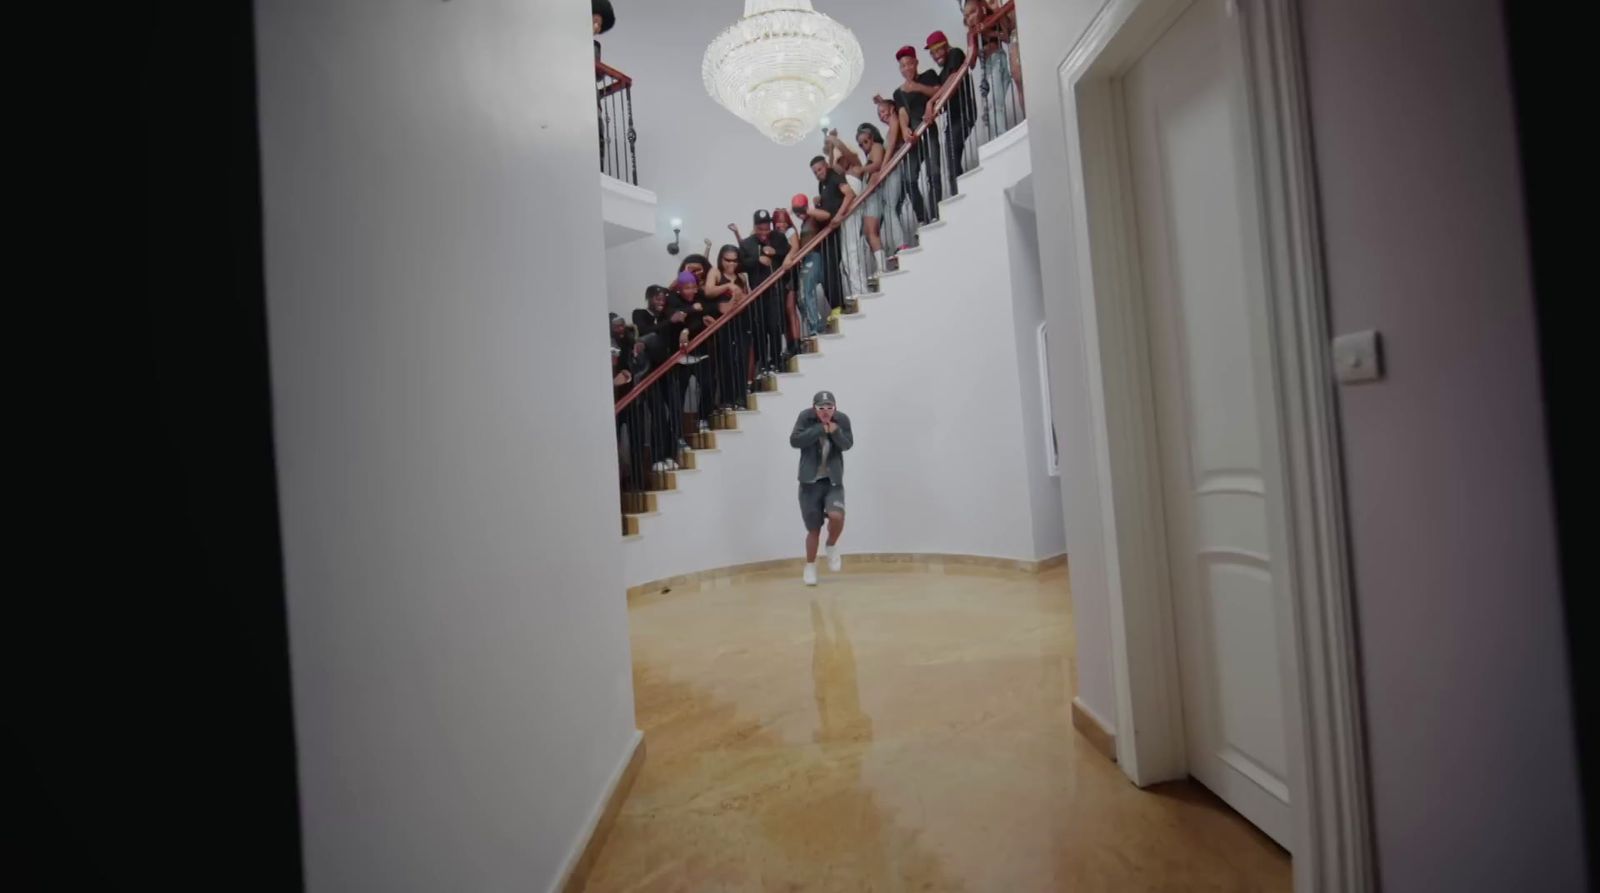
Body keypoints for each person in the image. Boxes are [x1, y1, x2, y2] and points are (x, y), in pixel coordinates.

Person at [790, 390, 854, 586]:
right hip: (809, 483)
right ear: (813, 408)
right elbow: (795, 441)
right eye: (821, 408)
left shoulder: (841, 420)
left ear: (835, 408)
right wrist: (819, 429)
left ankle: (832, 544)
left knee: (837, 515)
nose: (825, 412)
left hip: (832, 481)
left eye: (829, 408)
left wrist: (834, 431)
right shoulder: (805, 418)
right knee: (813, 529)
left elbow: (847, 444)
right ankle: (810, 565)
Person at [891, 46, 944, 223]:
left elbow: (939, 91)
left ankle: (936, 214)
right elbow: (902, 113)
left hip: (928, 129)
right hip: (912, 134)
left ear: (916, 63)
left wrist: (917, 87)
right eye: (902, 66)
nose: (906, 68)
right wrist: (905, 129)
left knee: (933, 172)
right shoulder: (898, 92)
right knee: (909, 178)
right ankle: (922, 217)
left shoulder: (928, 75)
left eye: (909, 64)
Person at [738, 210, 791, 379]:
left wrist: (775, 252)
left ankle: (777, 360)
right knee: (760, 329)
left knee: (775, 326)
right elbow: (741, 265)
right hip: (757, 294)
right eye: (760, 229)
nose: (763, 232)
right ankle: (764, 363)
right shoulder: (747, 244)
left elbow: (787, 252)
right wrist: (757, 260)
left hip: (775, 291)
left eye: (766, 228)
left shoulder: (779, 237)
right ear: (755, 227)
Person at [806, 155, 856, 316]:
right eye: (815, 172)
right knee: (829, 270)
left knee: (835, 268)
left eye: (819, 169)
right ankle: (837, 306)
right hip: (828, 230)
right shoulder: (822, 184)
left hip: (839, 227)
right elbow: (829, 204)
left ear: (826, 165)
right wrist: (818, 203)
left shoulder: (835, 177)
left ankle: (841, 305)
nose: (818, 174)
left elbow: (849, 194)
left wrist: (839, 216)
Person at [926, 30, 975, 189]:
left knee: (952, 158)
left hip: (964, 111)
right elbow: (944, 93)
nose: (936, 55)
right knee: (952, 161)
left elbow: (953, 82)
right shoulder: (941, 74)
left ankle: (960, 194)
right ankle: (959, 193)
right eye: (932, 53)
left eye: (938, 49)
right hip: (953, 117)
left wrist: (932, 102)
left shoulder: (955, 53)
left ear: (946, 46)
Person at [965, 0, 1015, 136]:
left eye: (973, 12)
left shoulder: (991, 19)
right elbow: (972, 62)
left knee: (995, 104)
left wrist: (988, 31)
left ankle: (1001, 135)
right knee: (989, 108)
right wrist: (973, 37)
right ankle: (997, 136)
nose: (971, 17)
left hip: (997, 60)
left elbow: (1006, 37)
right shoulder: (972, 33)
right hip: (985, 69)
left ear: (981, 8)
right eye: (967, 16)